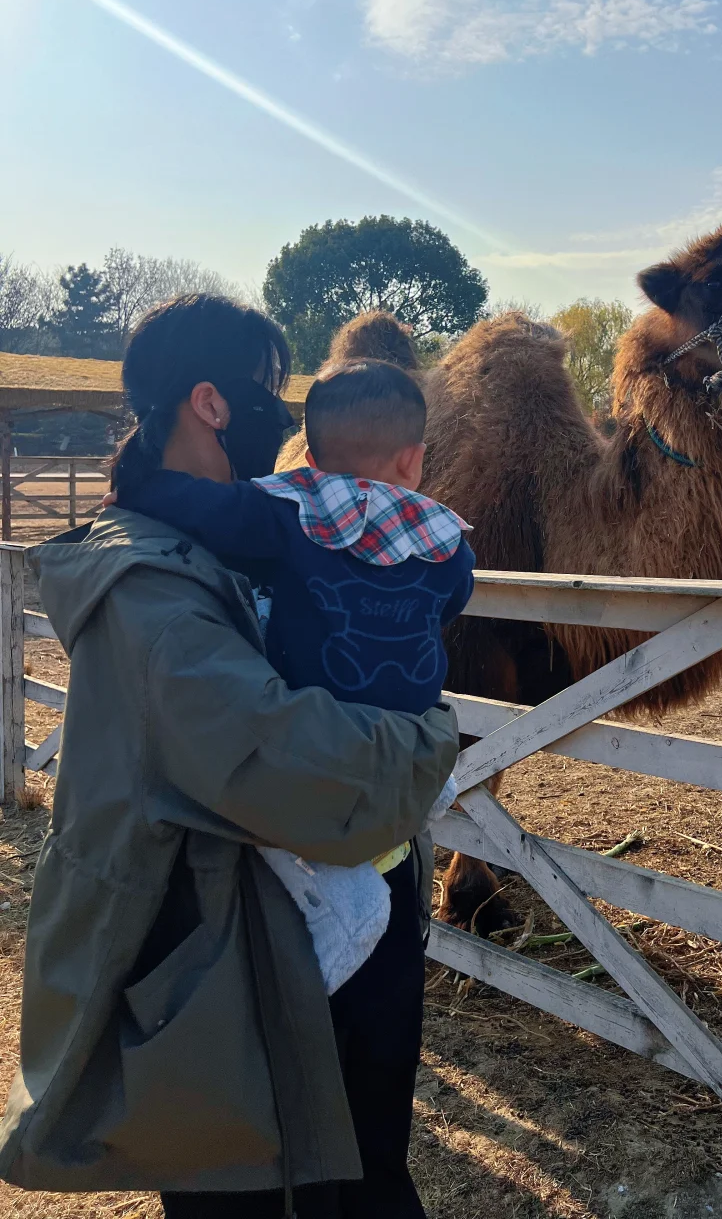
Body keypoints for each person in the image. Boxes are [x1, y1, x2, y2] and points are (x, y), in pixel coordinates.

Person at [0, 295, 459, 1219]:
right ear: (213, 403)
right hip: (226, 958)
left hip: (311, 934)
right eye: (270, 395)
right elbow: (279, 758)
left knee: (364, 1170)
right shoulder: (148, 579)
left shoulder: (252, 538)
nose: (284, 423)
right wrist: (431, 738)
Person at [111, 358, 477, 1177]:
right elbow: (452, 603)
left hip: (309, 768)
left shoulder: (284, 516)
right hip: (403, 762)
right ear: (415, 460)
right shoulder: (447, 542)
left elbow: (183, 504)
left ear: (307, 453)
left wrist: (131, 486)